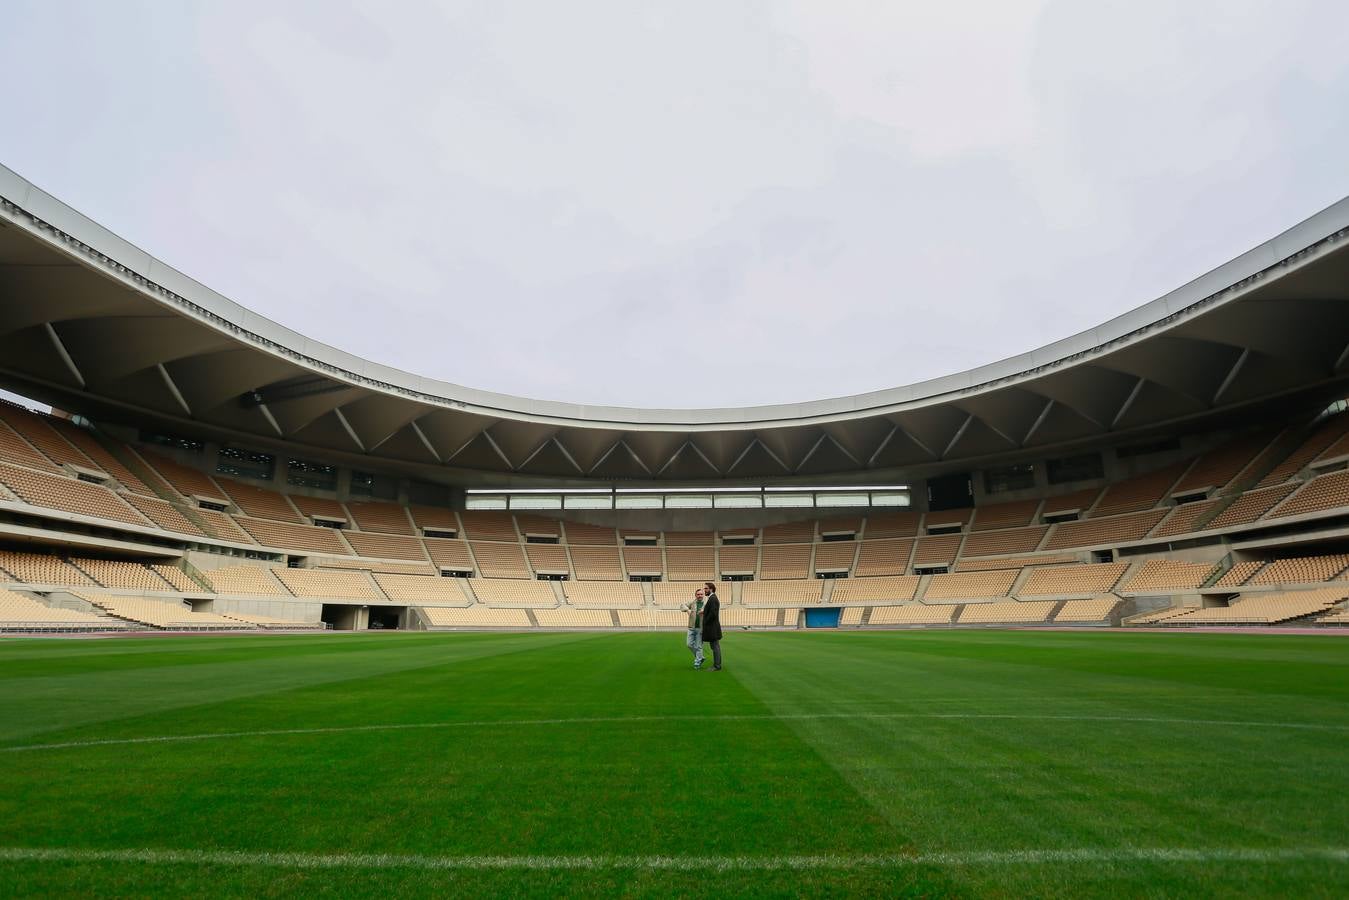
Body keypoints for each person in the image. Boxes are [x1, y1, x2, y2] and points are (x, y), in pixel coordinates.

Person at [701, 581, 723, 671]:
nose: (704, 590)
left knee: (715, 647)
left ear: (711, 589)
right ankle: (717, 665)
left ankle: (717, 666)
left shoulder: (713, 599)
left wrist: (705, 621)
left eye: (706, 588)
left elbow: (713, 614)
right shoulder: (712, 598)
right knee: (715, 647)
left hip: (712, 628)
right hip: (713, 627)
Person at [681, 588, 705, 670]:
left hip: (700, 629)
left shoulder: (706, 604)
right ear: (695, 595)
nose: (700, 596)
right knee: (689, 644)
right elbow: (682, 605)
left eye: (701, 594)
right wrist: (687, 610)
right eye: (698, 594)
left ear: (703, 595)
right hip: (691, 628)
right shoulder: (692, 603)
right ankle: (700, 657)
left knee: (699, 646)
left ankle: (697, 663)